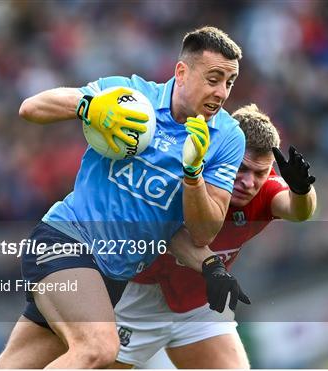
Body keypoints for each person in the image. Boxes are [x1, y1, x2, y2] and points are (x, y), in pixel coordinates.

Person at [0, 26, 246, 369]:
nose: (222, 92)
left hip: (112, 275)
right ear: (182, 73)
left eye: (229, 83)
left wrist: (193, 174)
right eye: (214, 79)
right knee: (97, 348)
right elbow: (31, 108)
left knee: (14, 365)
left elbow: (204, 233)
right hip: (67, 240)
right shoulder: (130, 95)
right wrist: (90, 107)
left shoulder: (226, 138)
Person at [112, 104, 317, 369]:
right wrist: (213, 266)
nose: (249, 182)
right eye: (241, 168)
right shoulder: (183, 172)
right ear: (222, 153)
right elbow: (172, 236)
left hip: (201, 305)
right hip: (138, 297)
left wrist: (302, 189)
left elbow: (298, 211)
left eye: (259, 173)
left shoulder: (264, 191)